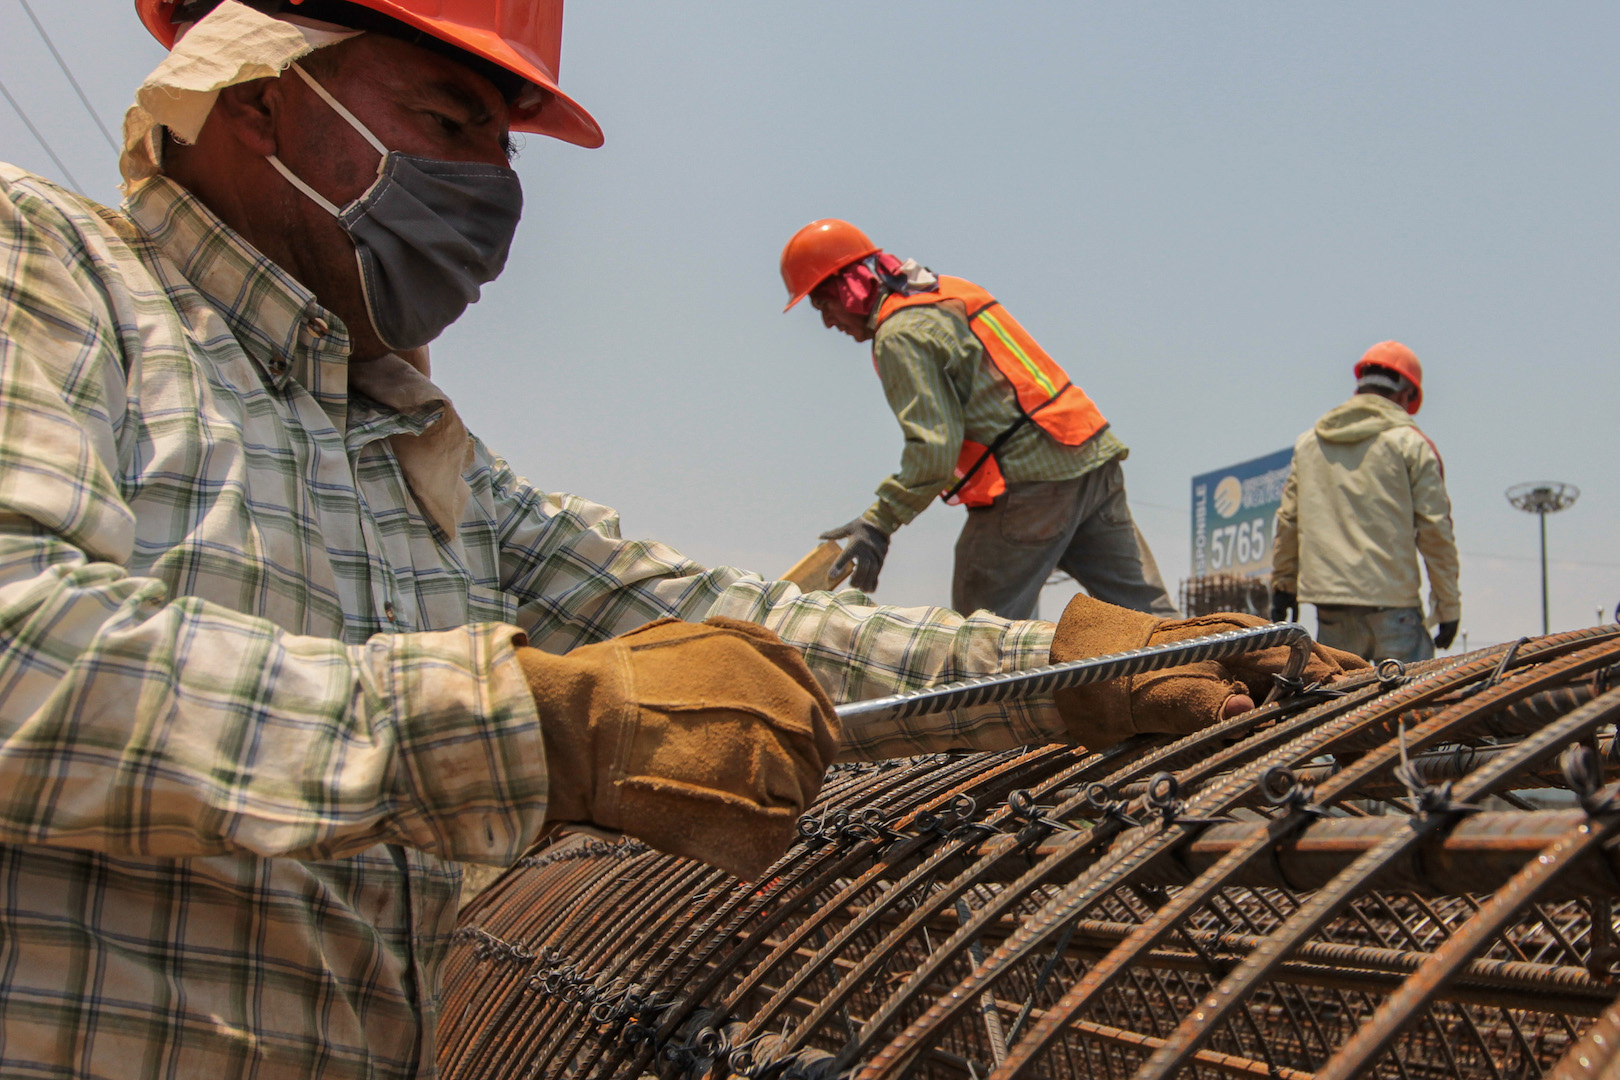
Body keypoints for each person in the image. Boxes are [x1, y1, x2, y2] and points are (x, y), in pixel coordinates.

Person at [0, 2, 1363, 1075]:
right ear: (257, 91)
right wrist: (543, 725)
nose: (492, 188)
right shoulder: (52, 267)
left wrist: (1068, 672)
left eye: (502, 147)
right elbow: (23, 647)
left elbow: (716, 615)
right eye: (449, 119)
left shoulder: (412, 447)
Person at [780, 219, 1178, 622]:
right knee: (1150, 617)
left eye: (823, 305)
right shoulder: (952, 292)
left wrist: (878, 523)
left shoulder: (899, 334)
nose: (827, 322)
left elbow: (934, 451)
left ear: (849, 288)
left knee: (983, 635)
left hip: (1028, 484)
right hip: (1088, 456)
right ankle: (1203, 662)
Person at [1271, 341, 1461, 663]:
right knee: (1419, 694)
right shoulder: (1411, 445)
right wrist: (1448, 607)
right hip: (1394, 608)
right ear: (1406, 395)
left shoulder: (1309, 444)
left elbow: (1289, 521)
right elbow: (1435, 531)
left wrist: (1283, 586)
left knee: (1339, 694)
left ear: (1360, 386)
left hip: (1331, 610)